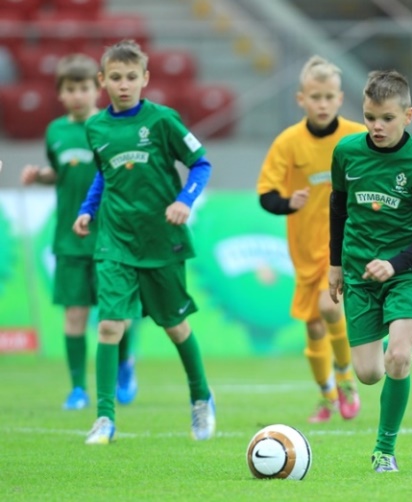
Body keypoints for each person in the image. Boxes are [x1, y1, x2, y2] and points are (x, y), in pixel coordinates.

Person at [72, 40, 215, 444]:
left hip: (161, 242)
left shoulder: (163, 121)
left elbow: (201, 163)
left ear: (145, 79)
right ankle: (104, 418)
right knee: (109, 327)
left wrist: (185, 199)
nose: (123, 84)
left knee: (175, 327)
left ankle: (201, 397)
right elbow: (104, 175)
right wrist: (87, 209)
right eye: (115, 78)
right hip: (115, 242)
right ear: (102, 81)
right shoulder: (95, 127)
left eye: (131, 77)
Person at [328, 69, 412, 472]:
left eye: (387, 118)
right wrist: (334, 265)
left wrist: (395, 263)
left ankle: (384, 450)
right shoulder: (346, 153)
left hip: (409, 272)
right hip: (359, 274)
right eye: (369, 117)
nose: (377, 126)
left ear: (408, 115)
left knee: (395, 360)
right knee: (367, 374)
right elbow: (337, 209)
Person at [19, 54, 138, 411]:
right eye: (70, 89)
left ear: (97, 88)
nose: (78, 95)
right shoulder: (55, 131)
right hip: (69, 239)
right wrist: (40, 176)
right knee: (74, 315)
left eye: (84, 87)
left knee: (116, 313)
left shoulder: (107, 127)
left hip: (111, 236)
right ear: (60, 93)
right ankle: (77, 389)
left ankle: (123, 367)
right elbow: (62, 174)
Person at [257, 55, 365, 423]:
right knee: (315, 325)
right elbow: (266, 194)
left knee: (330, 307)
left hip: (344, 246)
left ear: (340, 98)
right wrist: (289, 202)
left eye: (329, 96)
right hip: (303, 251)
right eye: (314, 96)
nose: (322, 103)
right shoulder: (288, 142)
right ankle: (327, 396)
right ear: (301, 99)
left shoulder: (356, 137)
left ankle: (347, 381)